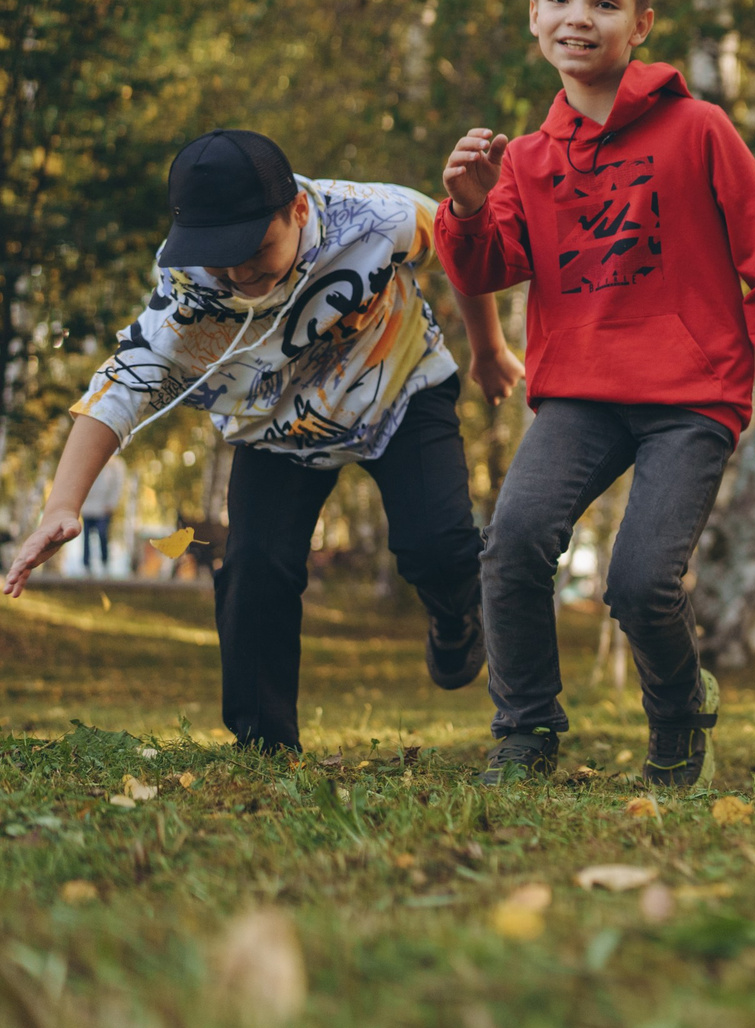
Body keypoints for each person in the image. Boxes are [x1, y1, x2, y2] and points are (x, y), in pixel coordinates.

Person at [438, 0, 755, 790]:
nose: (579, 17)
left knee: (641, 580)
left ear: (640, 24)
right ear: (533, 15)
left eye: (605, 3)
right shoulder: (526, 160)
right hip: (579, 394)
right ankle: (526, 729)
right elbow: (489, 266)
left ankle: (681, 715)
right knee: (512, 544)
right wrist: (465, 208)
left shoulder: (698, 129)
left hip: (690, 394)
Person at [2, 130, 520, 752]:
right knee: (254, 569)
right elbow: (123, 383)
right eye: (220, 258)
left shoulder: (378, 216)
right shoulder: (189, 290)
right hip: (277, 428)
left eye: (254, 250)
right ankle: (265, 745)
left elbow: (464, 249)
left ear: (297, 210)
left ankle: (457, 617)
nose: (239, 273)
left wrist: (489, 350)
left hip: (400, 387)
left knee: (436, 546)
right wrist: (62, 504)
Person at [78, 454, 126, 574]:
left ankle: (104, 562)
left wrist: (111, 503)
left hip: (103, 507)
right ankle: (86, 565)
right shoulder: (85, 459)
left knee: (102, 534)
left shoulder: (115, 464)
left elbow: (117, 485)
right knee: (86, 537)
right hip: (87, 507)